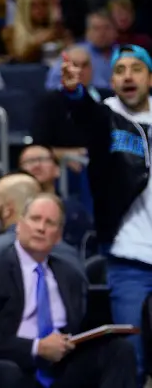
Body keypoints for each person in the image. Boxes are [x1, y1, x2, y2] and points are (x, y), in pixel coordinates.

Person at [0, 193, 136, 388]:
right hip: (8, 364)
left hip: (58, 369)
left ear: (58, 236)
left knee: (119, 350)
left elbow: (79, 327)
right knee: (6, 373)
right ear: (19, 225)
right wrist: (36, 348)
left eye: (50, 223)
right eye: (35, 219)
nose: (41, 228)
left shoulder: (69, 273)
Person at [61, 44, 152, 386]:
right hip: (130, 258)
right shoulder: (105, 118)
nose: (128, 75)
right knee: (132, 358)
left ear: (150, 77)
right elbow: (84, 112)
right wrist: (74, 92)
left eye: (136, 68)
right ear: (111, 81)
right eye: (119, 70)